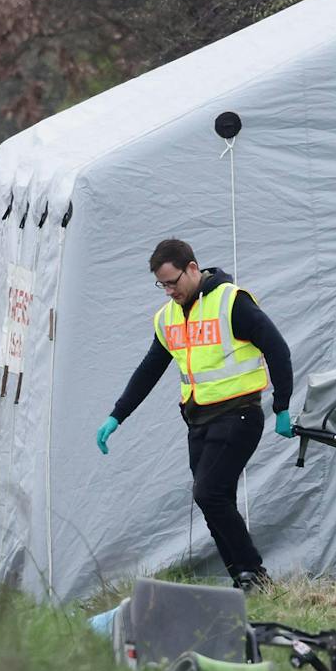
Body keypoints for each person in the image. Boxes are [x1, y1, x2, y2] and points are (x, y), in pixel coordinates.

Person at [94, 238, 295, 591]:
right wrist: (117, 415)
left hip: (239, 414)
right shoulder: (168, 317)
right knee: (215, 500)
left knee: (209, 494)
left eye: (174, 282)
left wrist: (282, 405)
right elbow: (149, 370)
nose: (170, 291)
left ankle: (255, 574)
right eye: (162, 285)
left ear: (192, 268)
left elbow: (277, 349)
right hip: (198, 420)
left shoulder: (231, 302)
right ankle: (242, 578)